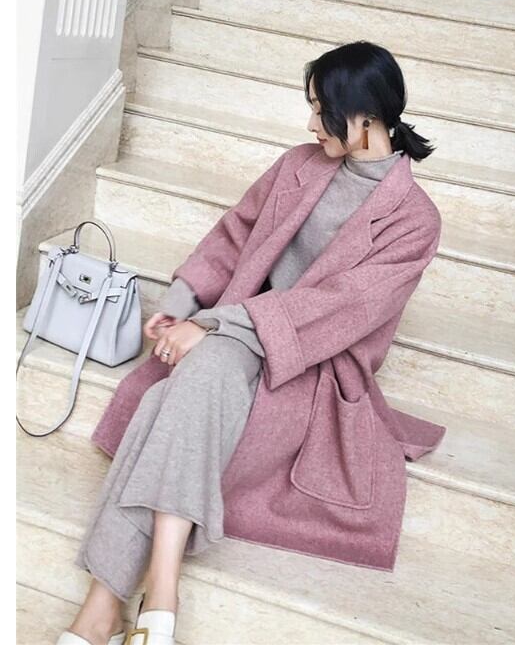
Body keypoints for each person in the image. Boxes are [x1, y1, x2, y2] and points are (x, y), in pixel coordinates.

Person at [55, 41, 438, 645]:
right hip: (239, 333)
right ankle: (156, 604)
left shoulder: (414, 220)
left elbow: (337, 310)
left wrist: (211, 325)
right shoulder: (298, 165)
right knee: (191, 385)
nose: (310, 124)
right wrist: (182, 303)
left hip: (309, 363)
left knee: (176, 394)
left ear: (365, 115)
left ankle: (105, 607)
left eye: (321, 110)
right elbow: (235, 234)